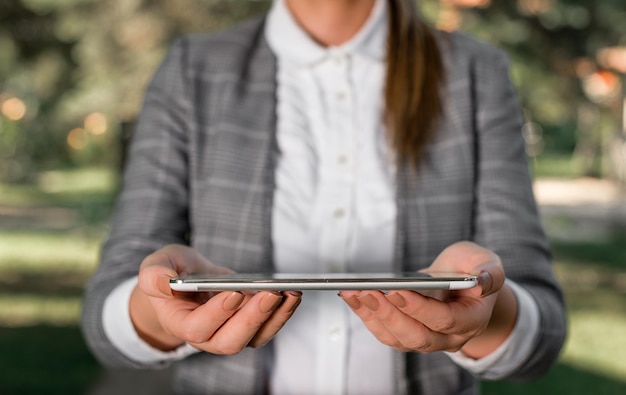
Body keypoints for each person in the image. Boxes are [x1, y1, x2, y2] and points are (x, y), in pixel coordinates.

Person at [81, 0, 567, 394]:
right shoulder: (193, 70)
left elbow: (542, 333)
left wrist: (488, 312)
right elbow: (107, 320)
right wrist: (160, 310)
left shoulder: (475, 72)